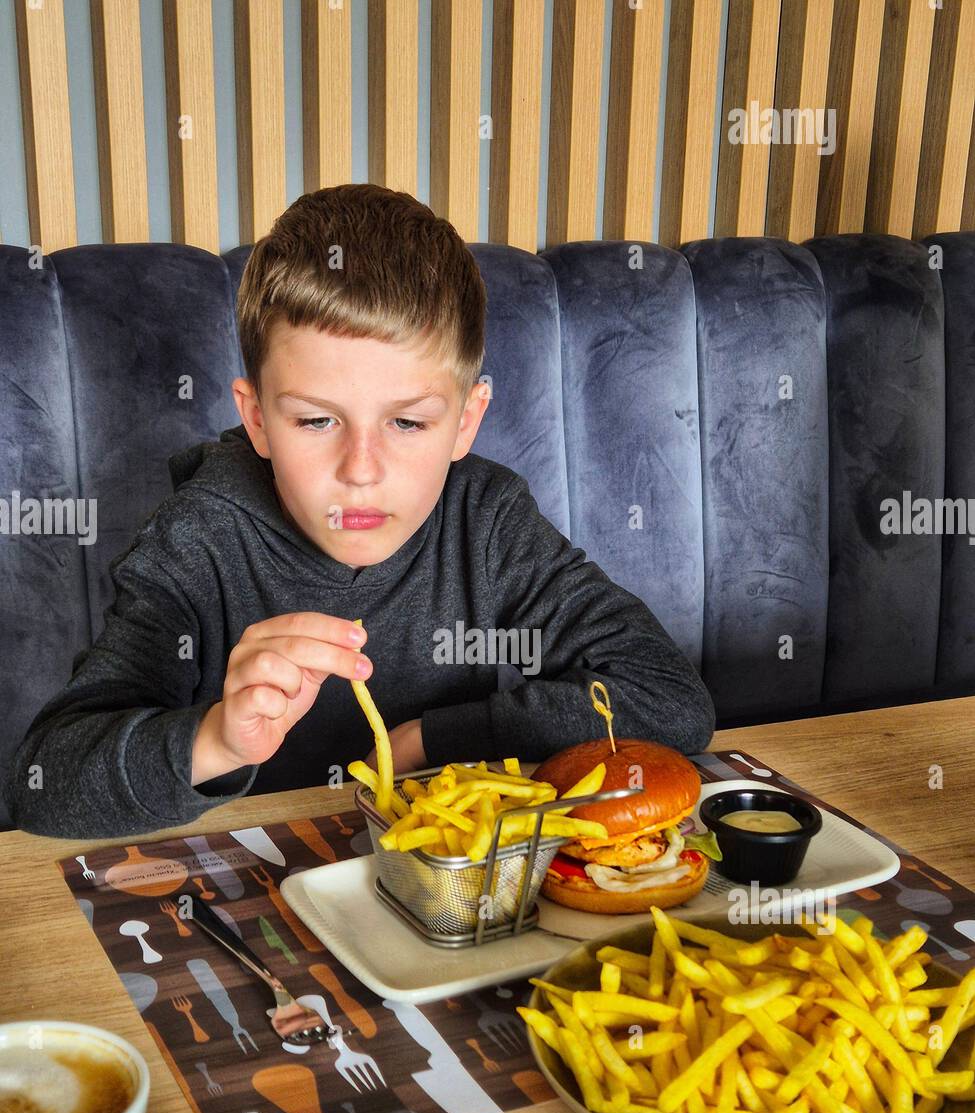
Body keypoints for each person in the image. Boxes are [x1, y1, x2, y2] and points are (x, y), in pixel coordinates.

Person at [5, 183, 715, 839]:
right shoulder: (199, 536)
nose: (361, 472)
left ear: (466, 423)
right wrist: (216, 739)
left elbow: (669, 700)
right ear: (256, 421)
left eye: (408, 424)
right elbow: (43, 783)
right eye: (316, 422)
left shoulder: (487, 519)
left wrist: (428, 740)